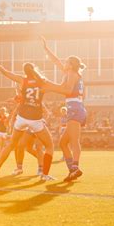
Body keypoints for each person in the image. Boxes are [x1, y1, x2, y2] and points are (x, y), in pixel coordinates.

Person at [0, 50, 55, 181]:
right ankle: (44, 174)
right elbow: (57, 88)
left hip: (21, 118)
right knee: (49, 146)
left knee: (11, 145)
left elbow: (5, 72)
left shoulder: (22, 80)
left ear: (25, 72)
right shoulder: (42, 82)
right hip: (36, 120)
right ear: (34, 70)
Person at [40, 37, 87, 181]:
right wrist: (46, 49)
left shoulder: (72, 74)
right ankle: (72, 169)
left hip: (74, 108)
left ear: (71, 65)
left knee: (74, 141)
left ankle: (76, 168)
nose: (64, 63)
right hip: (75, 107)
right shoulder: (70, 73)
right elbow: (56, 61)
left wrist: (49, 86)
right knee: (63, 143)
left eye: (66, 62)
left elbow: (66, 90)